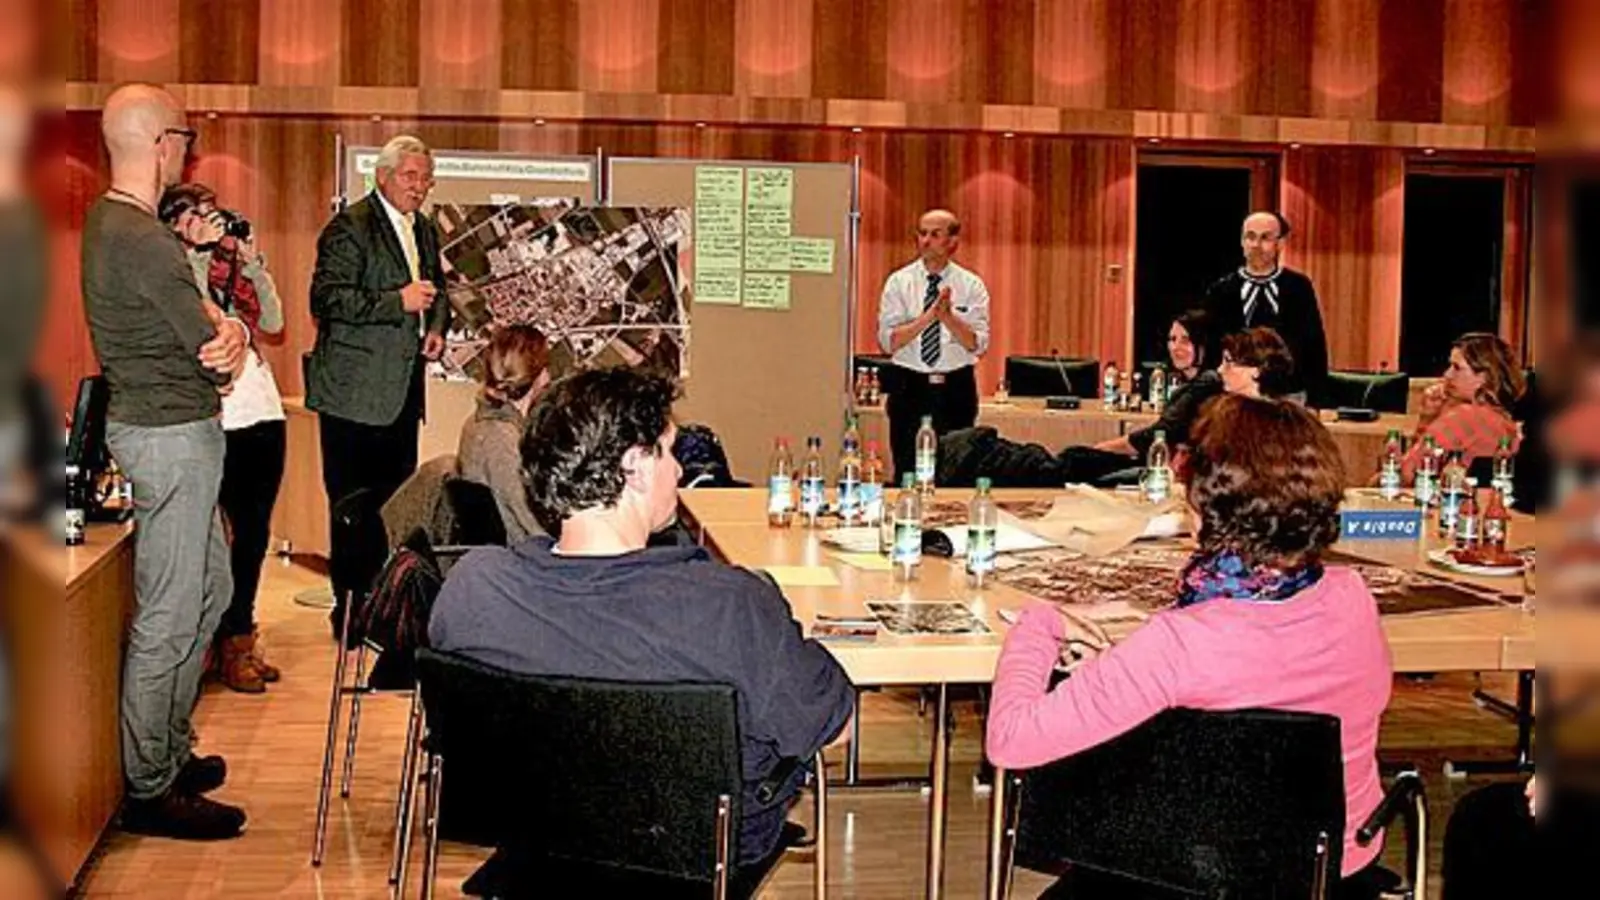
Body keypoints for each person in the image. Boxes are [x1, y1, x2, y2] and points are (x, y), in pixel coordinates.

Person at [429, 368, 854, 868]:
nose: (678, 470)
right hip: (697, 854)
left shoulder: (472, 589)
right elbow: (837, 728)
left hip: (530, 843)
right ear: (634, 466)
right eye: (668, 451)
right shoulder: (727, 605)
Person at [987, 395, 1394, 895]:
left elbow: (1010, 740)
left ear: (1206, 507)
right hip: (1331, 872)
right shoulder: (1353, 598)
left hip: (1189, 873)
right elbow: (1266, 672)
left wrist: (1037, 625)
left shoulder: (1181, 644)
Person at [82, 83, 250, 840]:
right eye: (184, 136)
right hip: (172, 436)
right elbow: (213, 348)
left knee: (210, 589)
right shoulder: (144, 240)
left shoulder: (116, 224)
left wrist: (226, 331)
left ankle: (170, 751)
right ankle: (152, 786)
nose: (188, 149)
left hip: (168, 433)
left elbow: (215, 329)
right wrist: (227, 337)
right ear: (162, 145)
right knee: (172, 613)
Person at [308, 134, 451, 633]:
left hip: (401, 394)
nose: (421, 187)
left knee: (395, 506)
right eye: (412, 176)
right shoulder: (350, 227)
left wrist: (435, 329)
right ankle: (349, 612)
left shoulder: (424, 229)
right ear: (383, 176)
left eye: (427, 178)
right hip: (352, 396)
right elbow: (327, 299)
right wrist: (399, 302)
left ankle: (387, 610)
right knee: (353, 508)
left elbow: (439, 292)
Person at [158, 183, 286, 694]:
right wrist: (197, 253)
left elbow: (273, 321)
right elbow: (200, 323)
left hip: (262, 410)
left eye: (213, 214)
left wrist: (252, 264)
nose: (212, 224)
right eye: (197, 215)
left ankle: (240, 637)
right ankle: (215, 644)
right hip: (217, 416)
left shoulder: (227, 268)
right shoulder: (169, 271)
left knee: (253, 535)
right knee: (213, 540)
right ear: (175, 224)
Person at [877, 209, 991, 479]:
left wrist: (948, 318)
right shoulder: (899, 282)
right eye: (922, 233)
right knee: (907, 470)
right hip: (909, 387)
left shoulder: (971, 285)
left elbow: (978, 344)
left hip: (955, 389)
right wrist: (929, 317)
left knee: (955, 471)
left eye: (935, 234)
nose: (926, 241)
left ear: (953, 242)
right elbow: (888, 342)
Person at [1202, 211, 1329, 405]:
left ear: (1280, 243)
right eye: (1250, 237)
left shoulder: (1298, 287)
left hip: (1289, 395)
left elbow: (1314, 347)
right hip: (1234, 394)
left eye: (1265, 238)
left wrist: (1317, 401)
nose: (1256, 245)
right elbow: (1211, 347)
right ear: (1242, 242)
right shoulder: (1221, 290)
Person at [457, 324, 551, 543]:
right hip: (520, 553)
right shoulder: (502, 441)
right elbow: (531, 525)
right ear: (540, 376)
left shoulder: (478, 423)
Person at [1093, 309, 1222, 459]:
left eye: (1185, 340)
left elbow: (1162, 433)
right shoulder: (1187, 382)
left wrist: (1102, 449)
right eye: (1172, 339)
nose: (1176, 347)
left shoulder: (1207, 382)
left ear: (1204, 344)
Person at [1401, 332, 1525, 483]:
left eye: (1457, 368)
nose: (1447, 374)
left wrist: (1426, 419)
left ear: (1485, 376)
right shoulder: (1506, 423)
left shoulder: (1463, 417)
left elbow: (1406, 472)